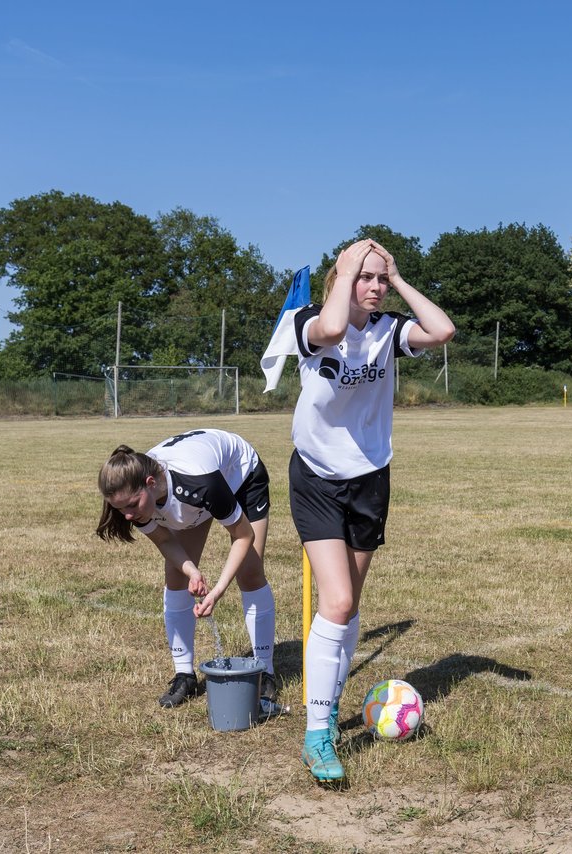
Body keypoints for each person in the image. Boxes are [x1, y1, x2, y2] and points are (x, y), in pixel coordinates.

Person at [285, 238, 454, 782]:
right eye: (368, 277)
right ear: (343, 275)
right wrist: (345, 271)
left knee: (349, 604)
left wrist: (399, 278)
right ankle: (317, 737)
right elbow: (332, 331)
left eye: (382, 279)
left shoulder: (389, 330)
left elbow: (443, 331)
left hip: (369, 478)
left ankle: (329, 708)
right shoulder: (307, 318)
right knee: (335, 600)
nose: (377, 287)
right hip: (315, 477)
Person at [96, 429, 281, 717]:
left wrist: (217, 590)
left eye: (131, 506)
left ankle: (265, 671)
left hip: (238, 475)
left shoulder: (199, 483)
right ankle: (184, 675)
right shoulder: (137, 502)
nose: (128, 516)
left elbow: (243, 536)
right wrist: (192, 571)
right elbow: (166, 541)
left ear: (150, 483)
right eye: (120, 509)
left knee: (250, 572)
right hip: (194, 494)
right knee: (177, 577)